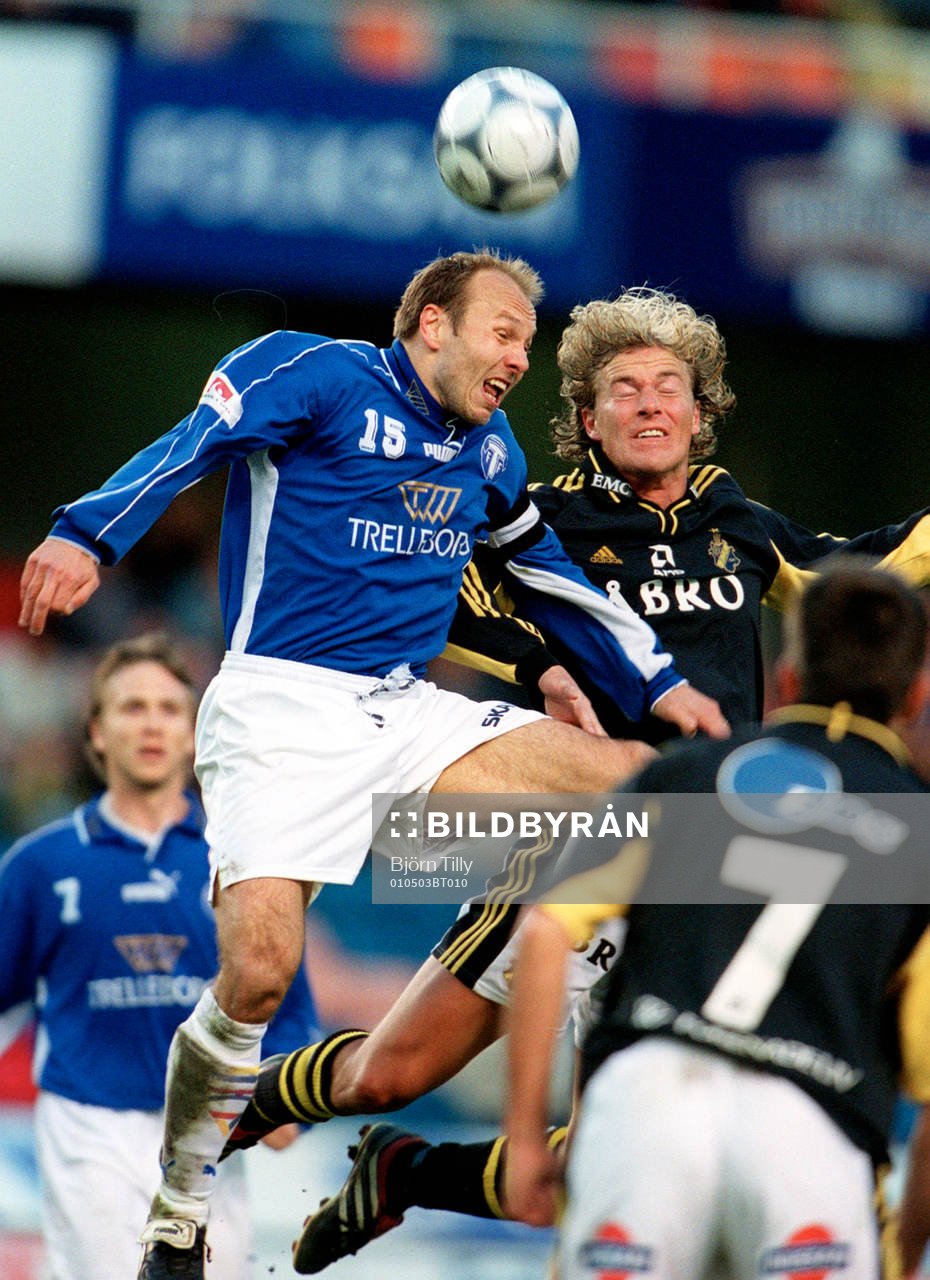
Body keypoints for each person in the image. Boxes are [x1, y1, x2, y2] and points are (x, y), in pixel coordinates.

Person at [18, 250, 728, 1280]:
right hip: (277, 709)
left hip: (402, 710)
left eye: (528, 342)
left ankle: (595, 986)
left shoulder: (488, 448)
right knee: (258, 977)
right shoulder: (309, 372)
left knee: (641, 785)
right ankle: (178, 1207)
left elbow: (544, 572)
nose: (517, 359)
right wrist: (86, 535)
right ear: (433, 324)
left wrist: (661, 685)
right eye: (502, 333)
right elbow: (191, 446)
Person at [233, 284, 930, 1272]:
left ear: (701, 411)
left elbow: (864, 570)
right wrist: (540, 667)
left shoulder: (741, 524)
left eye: (669, 387)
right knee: (390, 1074)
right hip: (570, 837)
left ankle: (406, 1171)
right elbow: (436, 598)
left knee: (623, 1141)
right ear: (588, 419)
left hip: (704, 868)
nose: (649, 404)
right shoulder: (544, 521)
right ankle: (254, 1098)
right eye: (624, 389)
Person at [504, 561, 930, 1279]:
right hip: (809, 1138)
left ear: (787, 679)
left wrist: (522, 1140)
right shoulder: (919, 833)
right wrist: (908, 1254)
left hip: (647, 1108)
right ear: (916, 696)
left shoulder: (684, 773)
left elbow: (546, 932)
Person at [0, 633, 319, 1280]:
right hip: (90, 1125)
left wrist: (285, 1111)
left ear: (195, 735)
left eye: (170, 709)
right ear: (97, 732)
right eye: (132, 707)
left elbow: (286, 1006)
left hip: (213, 1131)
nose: (151, 724)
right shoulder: (40, 865)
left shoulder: (244, 863)